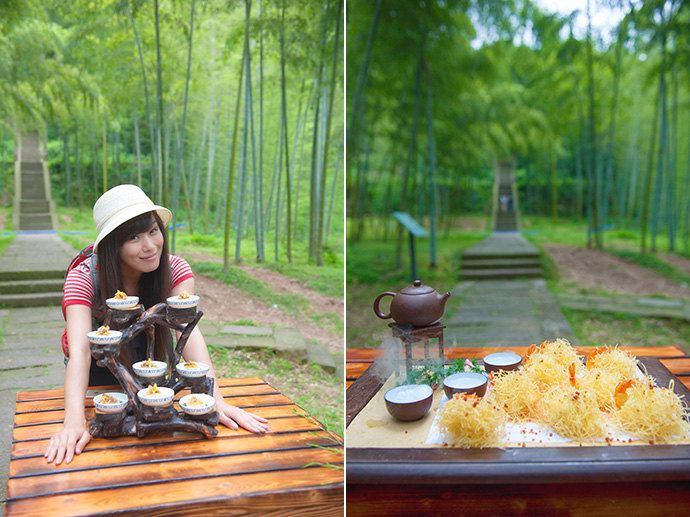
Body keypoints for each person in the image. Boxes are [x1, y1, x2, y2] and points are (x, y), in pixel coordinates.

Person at [45, 184, 269, 465]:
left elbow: (189, 331)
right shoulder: (83, 279)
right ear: (113, 243)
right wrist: (74, 421)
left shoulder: (176, 270)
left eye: (153, 231)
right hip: (98, 384)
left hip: (153, 379)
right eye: (134, 237)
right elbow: (80, 351)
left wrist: (215, 399)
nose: (149, 246)